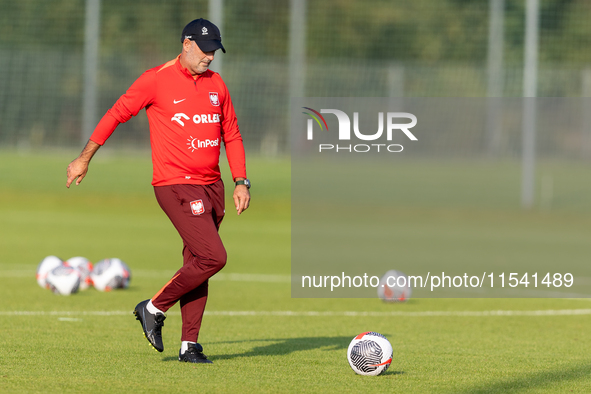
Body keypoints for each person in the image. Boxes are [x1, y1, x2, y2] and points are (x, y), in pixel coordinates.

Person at [66, 18, 250, 364]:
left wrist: (241, 181)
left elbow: (233, 134)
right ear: (186, 44)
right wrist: (84, 158)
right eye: (206, 50)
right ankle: (153, 308)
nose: (210, 57)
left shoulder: (217, 85)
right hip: (176, 184)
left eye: (215, 51)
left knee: (198, 262)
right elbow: (116, 114)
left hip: (214, 185)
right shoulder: (156, 79)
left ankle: (189, 345)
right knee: (214, 257)